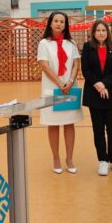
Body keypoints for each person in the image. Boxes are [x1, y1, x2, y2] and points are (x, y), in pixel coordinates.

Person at [37, 11, 83, 174]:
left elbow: (76, 64)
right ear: (50, 23)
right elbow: (44, 65)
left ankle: (69, 159)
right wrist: (59, 83)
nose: (58, 24)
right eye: (56, 21)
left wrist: (69, 82)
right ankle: (56, 158)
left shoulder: (71, 43)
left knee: (69, 123)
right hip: (52, 88)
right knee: (53, 124)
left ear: (65, 25)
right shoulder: (44, 43)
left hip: (69, 88)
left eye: (62, 21)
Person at [81, 19, 112, 176]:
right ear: (93, 33)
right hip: (94, 94)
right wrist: (98, 85)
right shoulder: (87, 47)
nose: (101, 33)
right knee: (98, 129)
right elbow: (85, 70)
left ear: (108, 32)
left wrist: (104, 84)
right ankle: (103, 161)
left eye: (103, 30)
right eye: (98, 30)